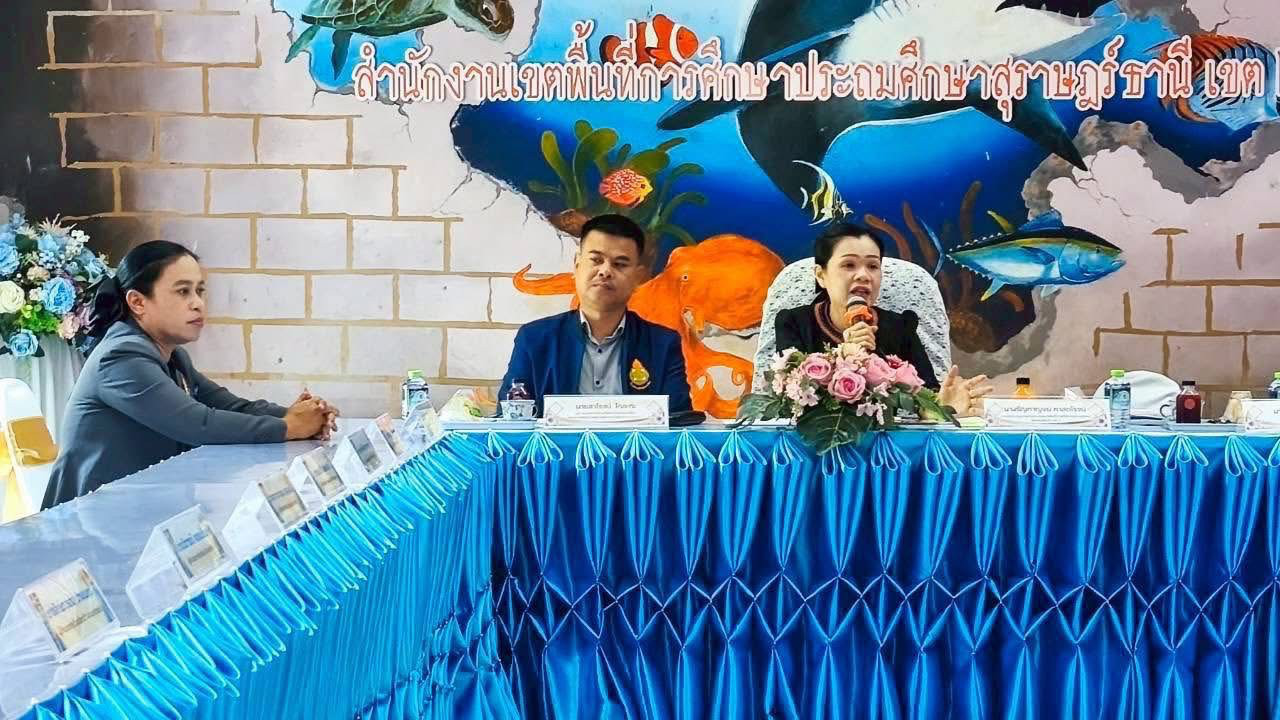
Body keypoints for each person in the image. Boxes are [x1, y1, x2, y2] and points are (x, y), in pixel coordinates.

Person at [42, 241, 338, 510]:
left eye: (200, 291)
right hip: (90, 518)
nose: (198, 303)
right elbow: (198, 424)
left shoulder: (173, 356)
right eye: (183, 291)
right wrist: (289, 427)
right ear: (137, 302)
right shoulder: (121, 358)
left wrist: (298, 414)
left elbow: (231, 406)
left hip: (140, 506)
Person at [773, 222, 993, 415]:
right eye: (849, 265)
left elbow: (926, 392)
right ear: (821, 275)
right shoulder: (793, 322)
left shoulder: (900, 326)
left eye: (873, 266)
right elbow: (788, 395)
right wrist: (845, 357)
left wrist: (942, 406)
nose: (863, 275)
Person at [498, 214, 692, 414]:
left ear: (638, 277)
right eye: (596, 260)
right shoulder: (534, 339)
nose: (605, 271)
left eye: (620, 264)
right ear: (577, 264)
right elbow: (510, 418)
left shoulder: (663, 344)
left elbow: (680, 421)